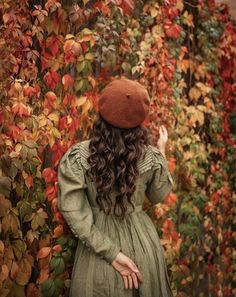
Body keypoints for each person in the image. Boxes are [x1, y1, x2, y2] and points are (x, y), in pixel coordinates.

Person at [57, 77, 174, 297]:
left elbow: (75, 215)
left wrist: (112, 254)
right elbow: (158, 195)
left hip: (97, 249)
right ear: (141, 119)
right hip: (144, 249)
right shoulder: (151, 157)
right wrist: (161, 152)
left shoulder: (78, 157)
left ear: (101, 114)